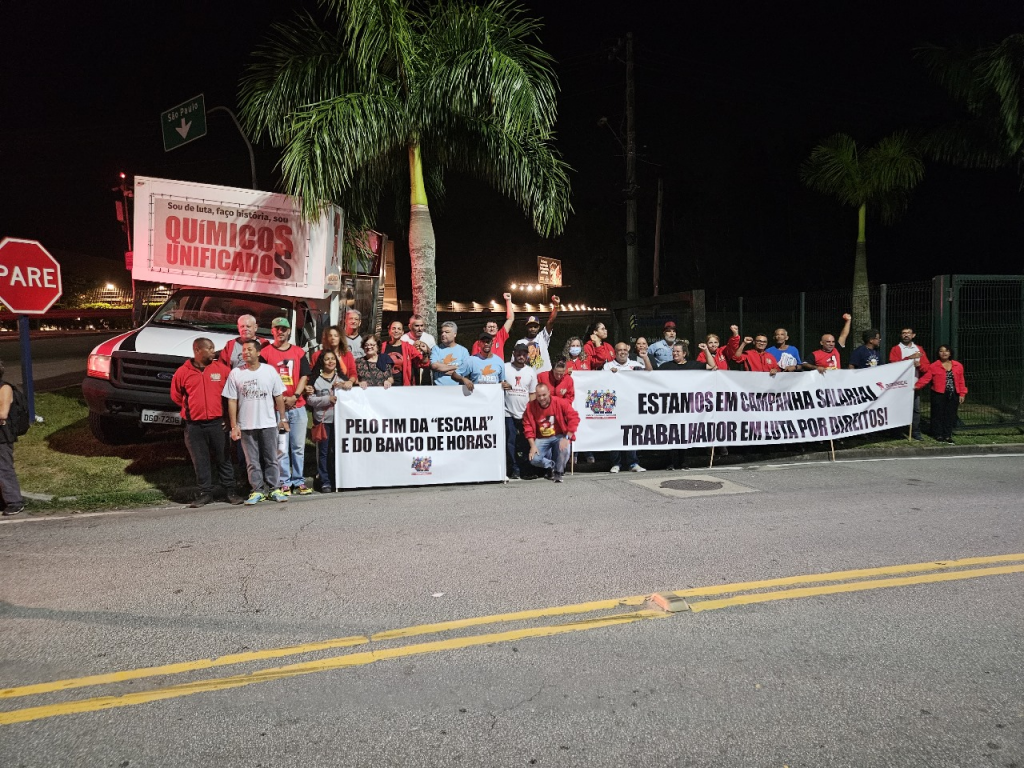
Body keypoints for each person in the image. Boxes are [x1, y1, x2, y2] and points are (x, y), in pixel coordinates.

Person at [170, 338, 242, 507]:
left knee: (224, 458)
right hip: (194, 426)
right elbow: (176, 396)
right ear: (197, 350)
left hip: (218, 424)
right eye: (209, 348)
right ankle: (205, 493)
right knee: (200, 460)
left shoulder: (222, 370)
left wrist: (227, 418)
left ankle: (230, 491)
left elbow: (231, 395)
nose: (213, 351)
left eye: (213, 348)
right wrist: (194, 409)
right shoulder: (183, 372)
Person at [224, 340, 289, 505]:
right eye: (244, 350)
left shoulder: (269, 371)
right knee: (251, 461)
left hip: (268, 423)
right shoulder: (236, 373)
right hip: (246, 425)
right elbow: (232, 400)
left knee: (271, 458)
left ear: (258, 352)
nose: (245, 353)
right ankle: (257, 490)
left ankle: (274, 488)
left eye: (249, 349)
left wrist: (282, 419)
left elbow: (278, 396)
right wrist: (234, 425)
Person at [261, 317, 313, 496]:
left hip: (297, 406)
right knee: (281, 448)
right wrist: (280, 399)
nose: (280, 331)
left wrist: (295, 396)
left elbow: (304, 375)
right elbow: (263, 379)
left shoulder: (298, 352)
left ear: (289, 331)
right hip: (277, 408)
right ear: (272, 331)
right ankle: (284, 482)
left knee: (298, 447)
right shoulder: (265, 353)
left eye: (284, 329)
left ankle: (299, 480)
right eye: (277, 328)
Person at [658, 341, 704, 469]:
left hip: (686, 405)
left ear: (684, 353)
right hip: (670, 405)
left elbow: (712, 366)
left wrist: (705, 350)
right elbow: (652, 375)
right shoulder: (666, 366)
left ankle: (684, 461)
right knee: (670, 433)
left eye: (678, 351)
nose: (675, 353)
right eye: (673, 351)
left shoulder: (693, 365)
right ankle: (670, 462)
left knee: (684, 433)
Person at [523, 383, 579, 483]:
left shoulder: (560, 402)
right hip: (541, 437)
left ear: (549, 393)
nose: (541, 398)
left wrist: (567, 437)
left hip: (559, 435)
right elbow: (527, 426)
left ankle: (558, 472)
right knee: (534, 459)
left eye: (544, 395)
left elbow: (574, 418)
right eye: (539, 396)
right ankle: (553, 466)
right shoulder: (531, 406)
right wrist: (532, 446)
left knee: (565, 449)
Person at [915, 345, 967, 443]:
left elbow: (961, 380)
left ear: (950, 353)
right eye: (941, 351)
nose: (944, 353)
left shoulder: (958, 365)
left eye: (946, 351)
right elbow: (926, 378)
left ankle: (947, 435)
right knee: (937, 415)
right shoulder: (934, 366)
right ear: (938, 353)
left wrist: (962, 393)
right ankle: (938, 434)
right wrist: (916, 386)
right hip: (938, 394)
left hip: (953, 394)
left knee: (950, 415)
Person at [307, 350, 343, 492]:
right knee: (324, 452)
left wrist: (346, 385)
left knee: (337, 451)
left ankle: (337, 480)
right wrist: (327, 399)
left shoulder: (341, 379)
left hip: (340, 422)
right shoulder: (316, 380)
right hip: (323, 422)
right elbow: (310, 400)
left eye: (332, 358)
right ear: (322, 362)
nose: (330, 361)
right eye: (327, 359)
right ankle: (325, 481)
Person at [502, 343, 537, 480]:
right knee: (510, 441)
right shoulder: (505, 367)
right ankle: (513, 468)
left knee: (524, 441)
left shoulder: (530, 371)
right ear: (514, 353)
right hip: (508, 412)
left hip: (524, 413)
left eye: (523, 354)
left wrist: (531, 411)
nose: (521, 356)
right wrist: (501, 385)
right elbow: (497, 384)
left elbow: (532, 393)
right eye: (518, 353)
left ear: (527, 356)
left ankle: (525, 468)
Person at [890, 327, 929, 440]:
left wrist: (920, 366)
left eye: (908, 333)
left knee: (915, 410)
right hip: (900, 385)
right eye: (903, 333)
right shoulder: (896, 349)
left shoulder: (919, 349)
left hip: (914, 384)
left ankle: (915, 431)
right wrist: (909, 358)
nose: (906, 335)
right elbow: (894, 365)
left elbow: (926, 367)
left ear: (913, 335)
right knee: (899, 408)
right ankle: (897, 431)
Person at [0, 360, 26, 516]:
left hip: (2, 435)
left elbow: (3, 413)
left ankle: (14, 502)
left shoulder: (5, 388)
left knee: (3, 468)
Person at [513, 295, 560, 373]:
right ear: (526, 328)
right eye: (530, 327)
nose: (533, 329)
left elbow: (551, 321)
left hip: (545, 376)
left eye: (535, 326)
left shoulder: (543, 337)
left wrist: (556, 306)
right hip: (529, 376)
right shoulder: (520, 342)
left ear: (539, 327)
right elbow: (514, 363)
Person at [382, 320, 427, 386]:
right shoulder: (382, 347)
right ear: (389, 331)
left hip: (403, 386)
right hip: (384, 385)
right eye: (393, 328)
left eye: (399, 329)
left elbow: (422, 363)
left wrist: (425, 353)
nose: (396, 331)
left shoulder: (408, 347)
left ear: (402, 332)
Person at [471, 293, 515, 360]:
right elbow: (473, 361)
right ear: (484, 329)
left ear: (497, 329)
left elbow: (510, 319)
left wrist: (508, 300)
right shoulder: (477, 343)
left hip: (498, 367)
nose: (492, 329)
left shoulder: (500, 336)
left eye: (494, 327)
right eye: (489, 327)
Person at [430, 321, 472, 386]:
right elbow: (434, 366)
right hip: (439, 389)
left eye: (447, 332)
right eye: (442, 332)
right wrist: (456, 368)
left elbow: (466, 370)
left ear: (454, 334)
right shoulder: (436, 349)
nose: (443, 334)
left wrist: (442, 369)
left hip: (458, 388)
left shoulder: (463, 351)